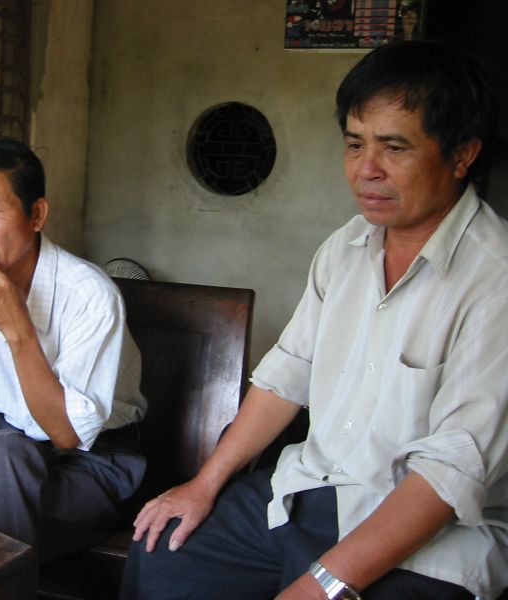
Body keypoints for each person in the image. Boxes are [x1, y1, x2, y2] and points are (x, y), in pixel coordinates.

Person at [121, 40, 508, 600]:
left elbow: (449, 477)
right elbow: (286, 376)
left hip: (432, 537)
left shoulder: (494, 278)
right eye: (355, 144)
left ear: (462, 154)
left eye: (394, 148)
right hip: (311, 489)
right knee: (165, 545)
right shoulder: (345, 248)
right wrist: (203, 484)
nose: (366, 170)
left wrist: (321, 584)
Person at [0, 138, 147, 562]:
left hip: (96, 460)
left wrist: (17, 327)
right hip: (13, 451)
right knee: (0, 455)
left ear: (37, 214)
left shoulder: (89, 294)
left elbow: (67, 433)